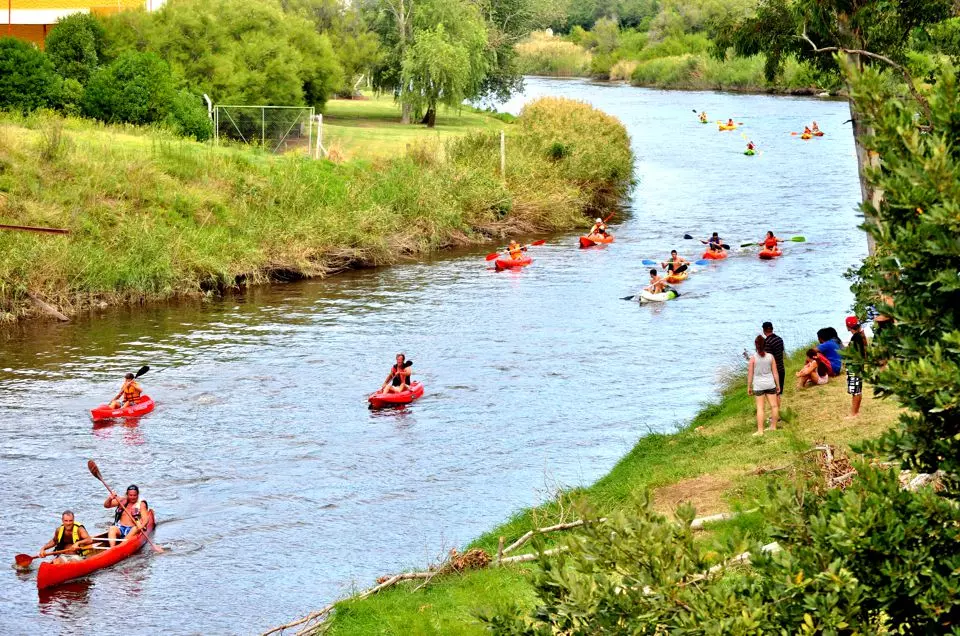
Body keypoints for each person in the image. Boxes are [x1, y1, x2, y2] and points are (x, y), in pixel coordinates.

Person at [747, 335, 780, 436]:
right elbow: (775, 372)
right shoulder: (770, 357)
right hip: (770, 384)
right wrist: (777, 385)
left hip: (758, 386)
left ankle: (760, 431)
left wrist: (748, 386)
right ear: (765, 345)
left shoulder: (753, 359)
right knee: (774, 406)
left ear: (756, 346)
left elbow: (750, 374)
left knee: (760, 408)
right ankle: (773, 427)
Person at [845, 316, 868, 418]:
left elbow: (854, 353)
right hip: (859, 366)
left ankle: (853, 414)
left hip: (855, 367)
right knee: (857, 389)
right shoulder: (860, 336)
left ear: (848, 326)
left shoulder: (855, 338)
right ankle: (856, 412)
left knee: (855, 391)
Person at [762, 322, 785, 405]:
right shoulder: (779, 339)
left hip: (773, 372)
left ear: (764, 330)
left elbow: (767, 359)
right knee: (778, 393)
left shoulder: (766, 342)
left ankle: (775, 416)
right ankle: (777, 414)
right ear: (772, 328)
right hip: (781, 369)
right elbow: (781, 353)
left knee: (772, 394)